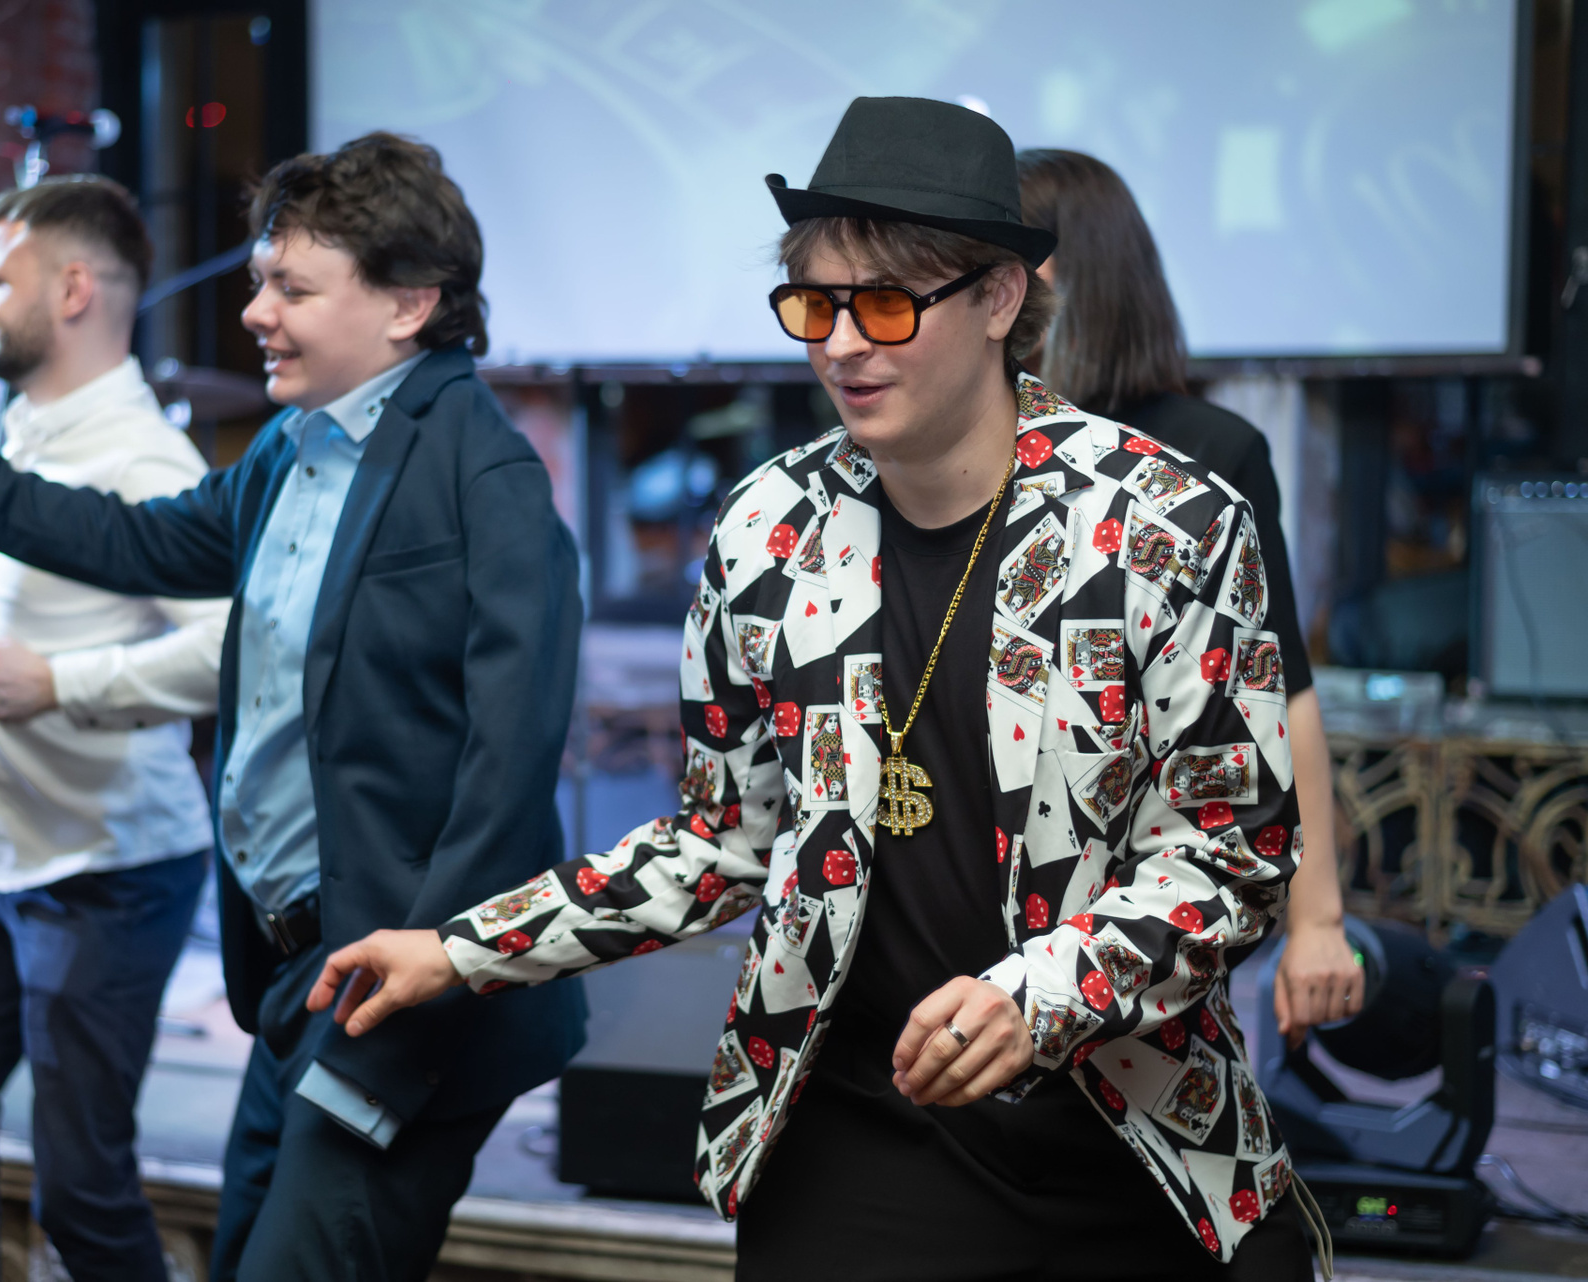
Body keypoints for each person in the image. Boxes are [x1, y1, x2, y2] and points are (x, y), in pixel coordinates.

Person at [309, 99, 1323, 1280]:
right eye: (814, 305)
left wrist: (1037, 996)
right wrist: (461, 951)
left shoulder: (1167, 525)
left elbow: (1233, 860)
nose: (842, 344)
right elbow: (719, 841)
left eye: (885, 304)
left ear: (1000, 298)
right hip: (856, 1119)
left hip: (1121, 1127)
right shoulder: (770, 532)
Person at [0, 133, 586, 1282]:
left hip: (400, 996)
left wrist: (430, 977)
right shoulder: (292, 448)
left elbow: (508, 773)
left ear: (410, 304)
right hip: (299, 977)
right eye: (261, 281)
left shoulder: (485, 477)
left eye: (291, 289)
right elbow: (124, 539)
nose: (255, 312)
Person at [0, 175, 229, 1282]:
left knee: (82, 1190)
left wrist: (57, 683)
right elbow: (34, 611)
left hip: (115, 874)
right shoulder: (22, 431)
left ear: (72, 291)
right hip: (3, 861)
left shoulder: (146, 462)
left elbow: (230, 653)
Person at [1016, 148, 1365, 1044]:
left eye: (1009, 261)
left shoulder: (1211, 452)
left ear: (1075, 277)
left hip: (1159, 882)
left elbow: (1281, 689)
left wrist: (1318, 921)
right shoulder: (981, 447)